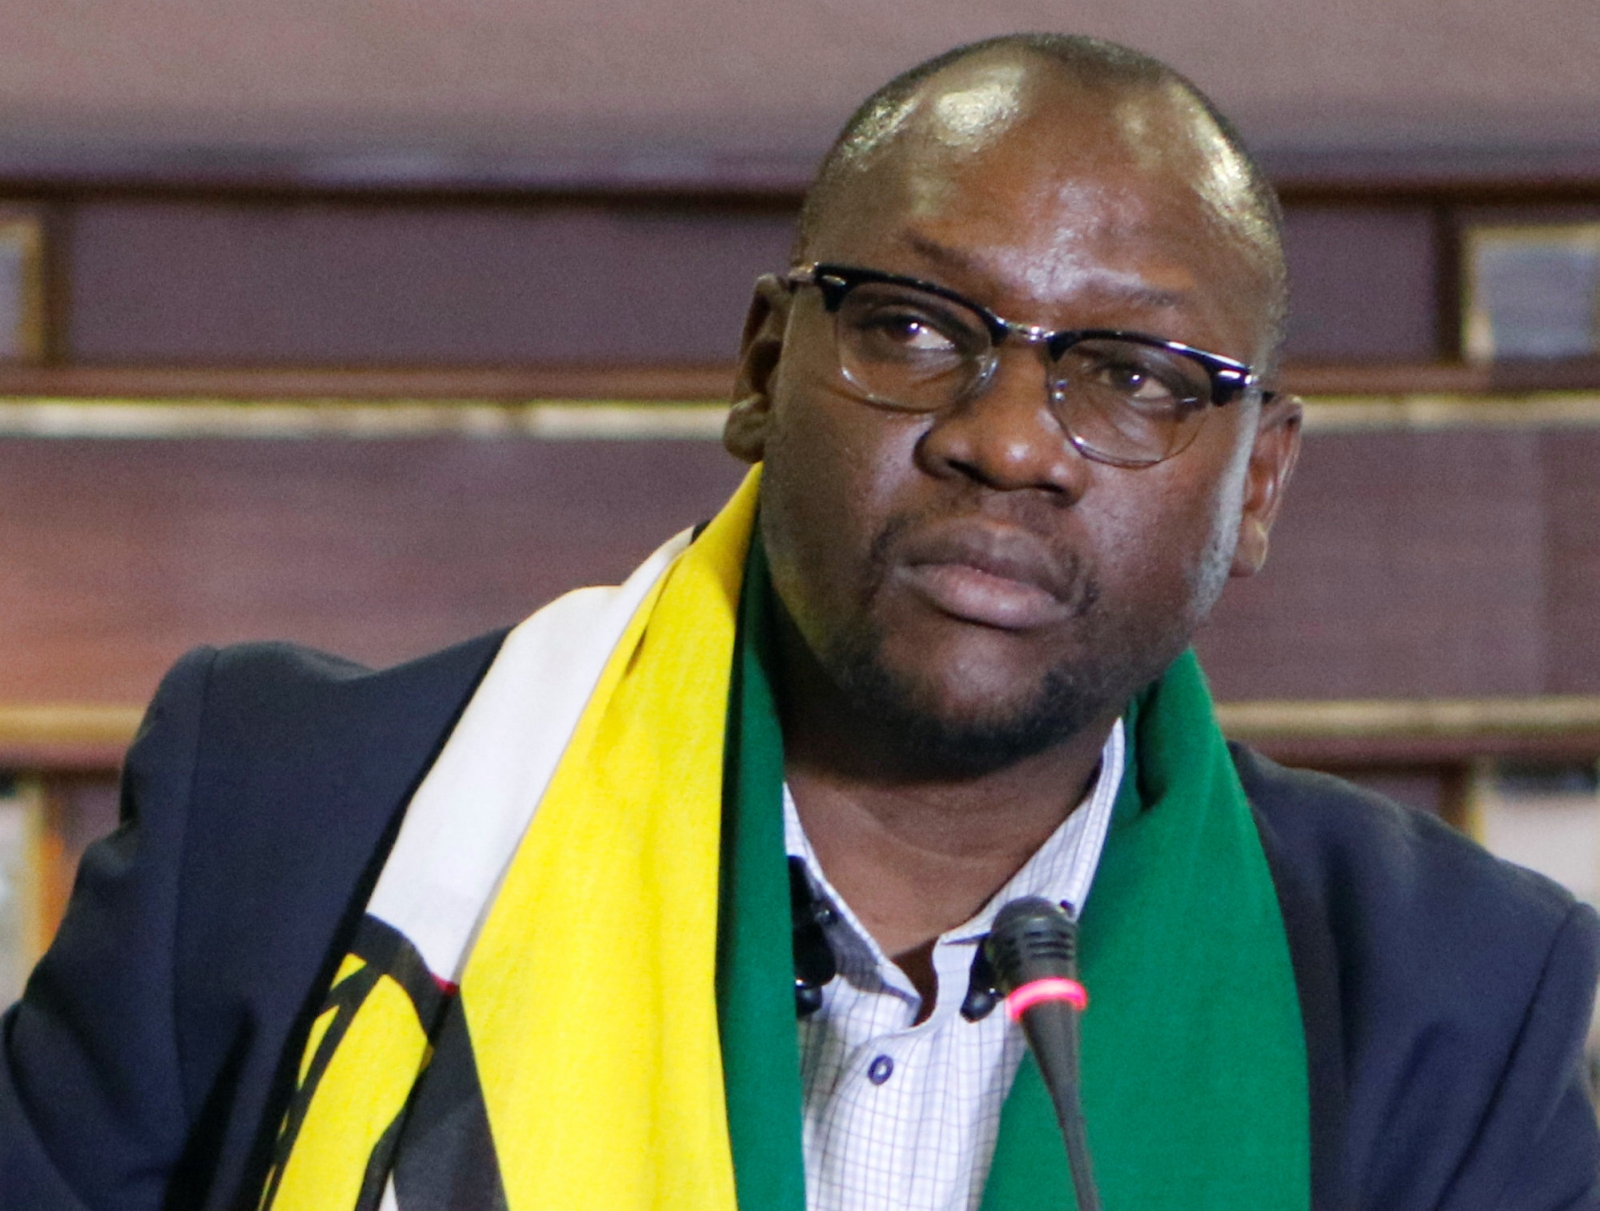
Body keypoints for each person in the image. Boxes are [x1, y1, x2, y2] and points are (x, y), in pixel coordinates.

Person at [3, 31, 1598, 1211]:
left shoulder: (1454, 997)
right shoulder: (283, 825)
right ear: (765, 369)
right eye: (914, 328)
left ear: (1258, 487)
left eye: (1132, 375)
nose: (1008, 441)